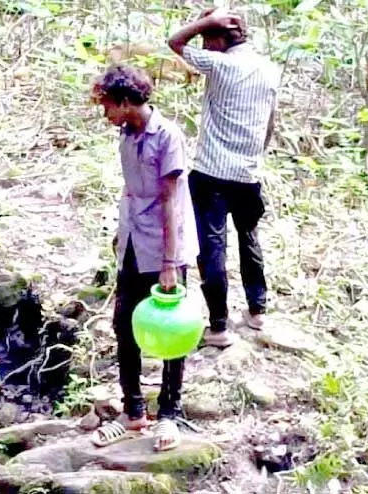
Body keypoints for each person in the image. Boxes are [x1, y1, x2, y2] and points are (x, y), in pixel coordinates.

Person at [88, 65, 199, 451]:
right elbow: (131, 190)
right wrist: (121, 235)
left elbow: (170, 201)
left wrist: (169, 263)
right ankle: (133, 410)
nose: (106, 114)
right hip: (134, 240)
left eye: (107, 106)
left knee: (173, 330)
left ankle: (170, 412)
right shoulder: (126, 135)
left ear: (124, 102)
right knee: (124, 324)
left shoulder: (167, 136)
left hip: (166, 244)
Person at [168, 8, 280, 347]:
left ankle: (218, 327)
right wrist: (255, 157)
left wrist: (205, 22)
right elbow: (270, 122)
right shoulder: (269, 69)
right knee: (249, 238)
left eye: (208, 38)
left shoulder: (219, 64)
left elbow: (175, 42)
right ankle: (257, 311)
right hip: (248, 173)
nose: (205, 45)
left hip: (212, 174)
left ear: (219, 37)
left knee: (212, 247)